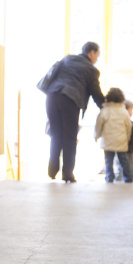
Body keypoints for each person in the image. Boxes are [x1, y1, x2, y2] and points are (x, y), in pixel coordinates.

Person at [40, 42, 105, 183]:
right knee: (70, 137)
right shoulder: (91, 69)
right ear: (91, 53)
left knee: (56, 134)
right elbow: (96, 94)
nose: (96, 59)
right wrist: (107, 106)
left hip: (52, 96)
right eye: (97, 56)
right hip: (69, 99)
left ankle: (52, 170)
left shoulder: (67, 59)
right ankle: (67, 173)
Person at [94, 88, 133, 183]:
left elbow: (98, 125)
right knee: (124, 161)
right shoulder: (123, 111)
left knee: (108, 161)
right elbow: (128, 126)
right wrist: (128, 138)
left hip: (108, 140)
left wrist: (96, 136)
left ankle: (109, 178)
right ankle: (128, 178)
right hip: (121, 140)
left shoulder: (105, 110)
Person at [114, 100, 133, 181]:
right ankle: (119, 182)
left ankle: (131, 181)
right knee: (119, 166)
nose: (132, 112)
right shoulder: (120, 122)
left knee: (130, 165)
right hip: (121, 147)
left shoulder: (132, 122)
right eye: (131, 110)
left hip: (129, 148)